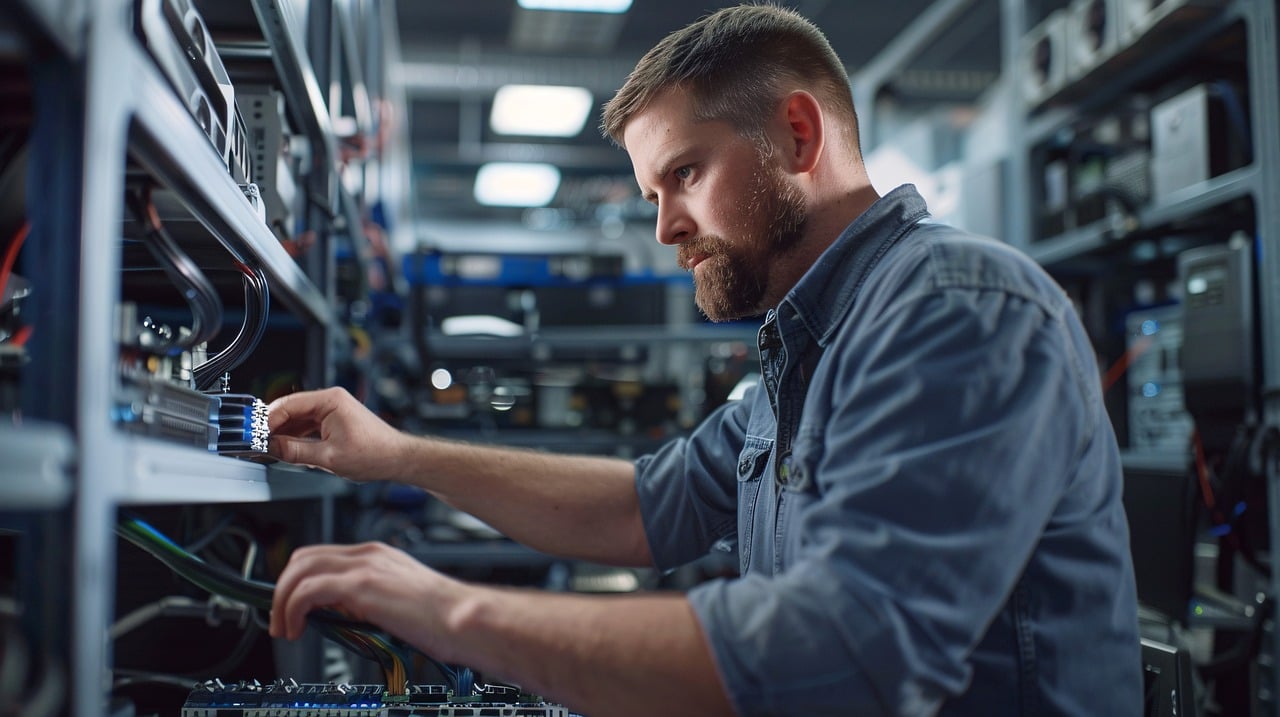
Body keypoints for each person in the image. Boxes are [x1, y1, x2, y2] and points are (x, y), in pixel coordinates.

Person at [267, 5, 1142, 715]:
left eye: (684, 174)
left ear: (797, 135)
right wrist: (399, 454)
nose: (663, 228)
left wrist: (449, 610)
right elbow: (643, 508)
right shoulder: (806, 351)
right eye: (653, 193)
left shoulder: (955, 309)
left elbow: (847, 656)